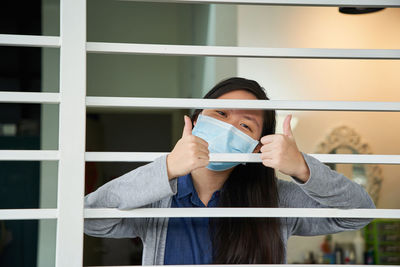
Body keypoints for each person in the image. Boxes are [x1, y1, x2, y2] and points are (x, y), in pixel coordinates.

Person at [84, 77, 375, 265]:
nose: (228, 128)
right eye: (220, 114)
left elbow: (356, 214)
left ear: (256, 147)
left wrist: (301, 167)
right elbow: (90, 219)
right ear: (197, 120)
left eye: (245, 125)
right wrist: (167, 168)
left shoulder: (276, 201)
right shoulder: (158, 196)